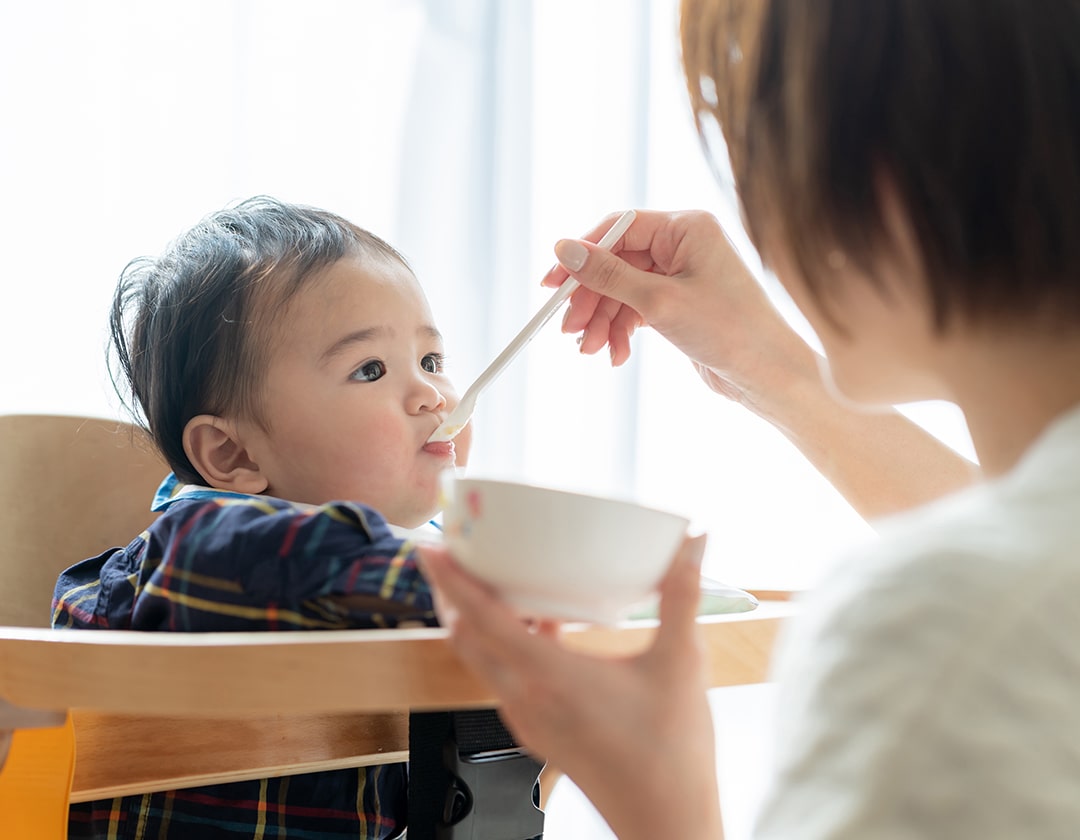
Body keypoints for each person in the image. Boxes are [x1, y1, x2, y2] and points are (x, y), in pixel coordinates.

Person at [420, 0, 1080, 837]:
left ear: (873, 176)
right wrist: (772, 366)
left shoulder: (949, 630)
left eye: (761, 162)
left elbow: (1002, 587)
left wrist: (664, 802)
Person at [52, 196, 471, 839]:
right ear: (233, 453)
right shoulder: (194, 556)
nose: (433, 396)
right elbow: (287, 560)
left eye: (431, 361)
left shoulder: (415, 562)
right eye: (371, 369)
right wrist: (482, 582)